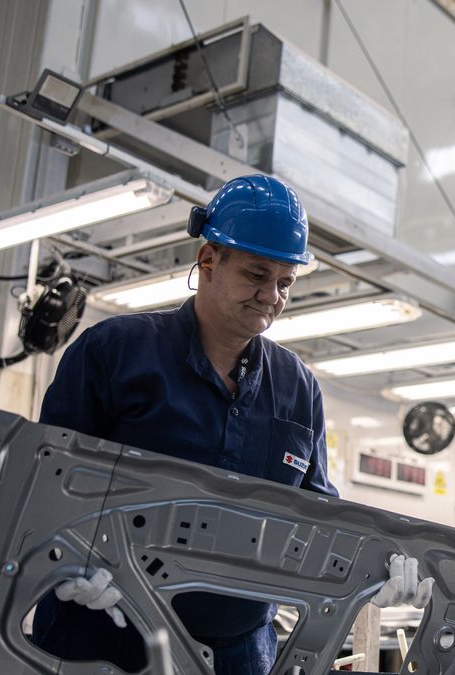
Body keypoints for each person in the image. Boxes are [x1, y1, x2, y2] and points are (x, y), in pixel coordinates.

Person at [29, 175, 432, 674]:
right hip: (104, 633)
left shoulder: (297, 388)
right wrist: (66, 563)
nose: (270, 296)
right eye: (256, 274)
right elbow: (44, 481)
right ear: (208, 260)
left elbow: (317, 516)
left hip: (238, 651)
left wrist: (375, 567)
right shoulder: (112, 352)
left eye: (285, 282)